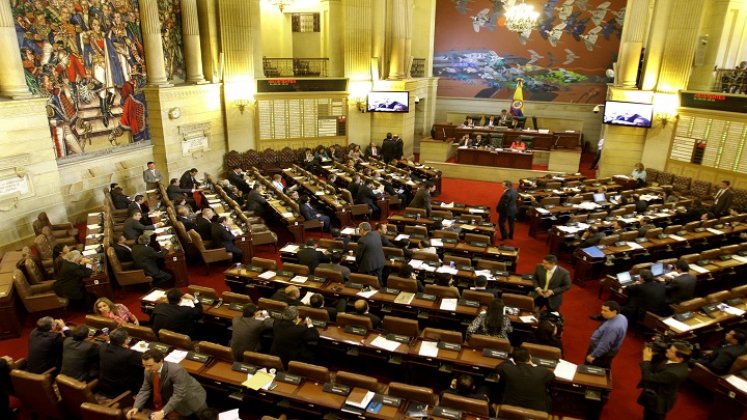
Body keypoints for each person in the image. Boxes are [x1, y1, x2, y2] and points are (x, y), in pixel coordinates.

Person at [127, 349, 207, 420]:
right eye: (144, 365)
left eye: (149, 366)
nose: (147, 369)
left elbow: (178, 394)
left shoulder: (176, 370)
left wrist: (162, 412)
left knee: (203, 416)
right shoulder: (148, 370)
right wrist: (136, 407)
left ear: (161, 361)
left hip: (192, 398)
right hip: (175, 401)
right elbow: (145, 389)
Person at [637, 342, 692, 420]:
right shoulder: (678, 362)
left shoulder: (673, 373)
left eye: (671, 351)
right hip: (658, 393)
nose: (667, 350)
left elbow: (648, 377)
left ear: (680, 358)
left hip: (658, 402)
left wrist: (646, 360)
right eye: (669, 348)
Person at [494, 347, 554, 412]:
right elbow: (552, 376)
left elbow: (498, 367)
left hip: (511, 410)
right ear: (530, 357)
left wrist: (510, 360)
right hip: (538, 411)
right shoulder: (542, 371)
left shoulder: (508, 369)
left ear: (514, 360)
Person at [98, 328, 144, 397]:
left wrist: (124, 347)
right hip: (121, 388)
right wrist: (126, 348)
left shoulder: (103, 347)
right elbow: (143, 360)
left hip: (104, 384)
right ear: (125, 340)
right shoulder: (130, 354)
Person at [586, 301, 628, 369]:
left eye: (605, 311)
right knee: (605, 366)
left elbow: (604, 345)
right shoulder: (622, 317)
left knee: (591, 370)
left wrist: (593, 355)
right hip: (610, 352)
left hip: (601, 354)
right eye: (602, 310)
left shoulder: (612, 328)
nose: (602, 312)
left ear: (614, 311)